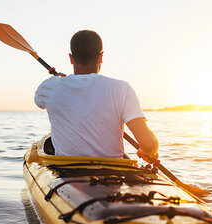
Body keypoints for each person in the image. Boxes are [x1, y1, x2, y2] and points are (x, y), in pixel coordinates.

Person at [34, 30, 158, 164]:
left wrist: (59, 80)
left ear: (71, 58)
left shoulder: (49, 87)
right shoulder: (123, 89)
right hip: (114, 173)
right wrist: (149, 151)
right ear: (101, 57)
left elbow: (39, 102)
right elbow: (148, 144)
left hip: (65, 171)